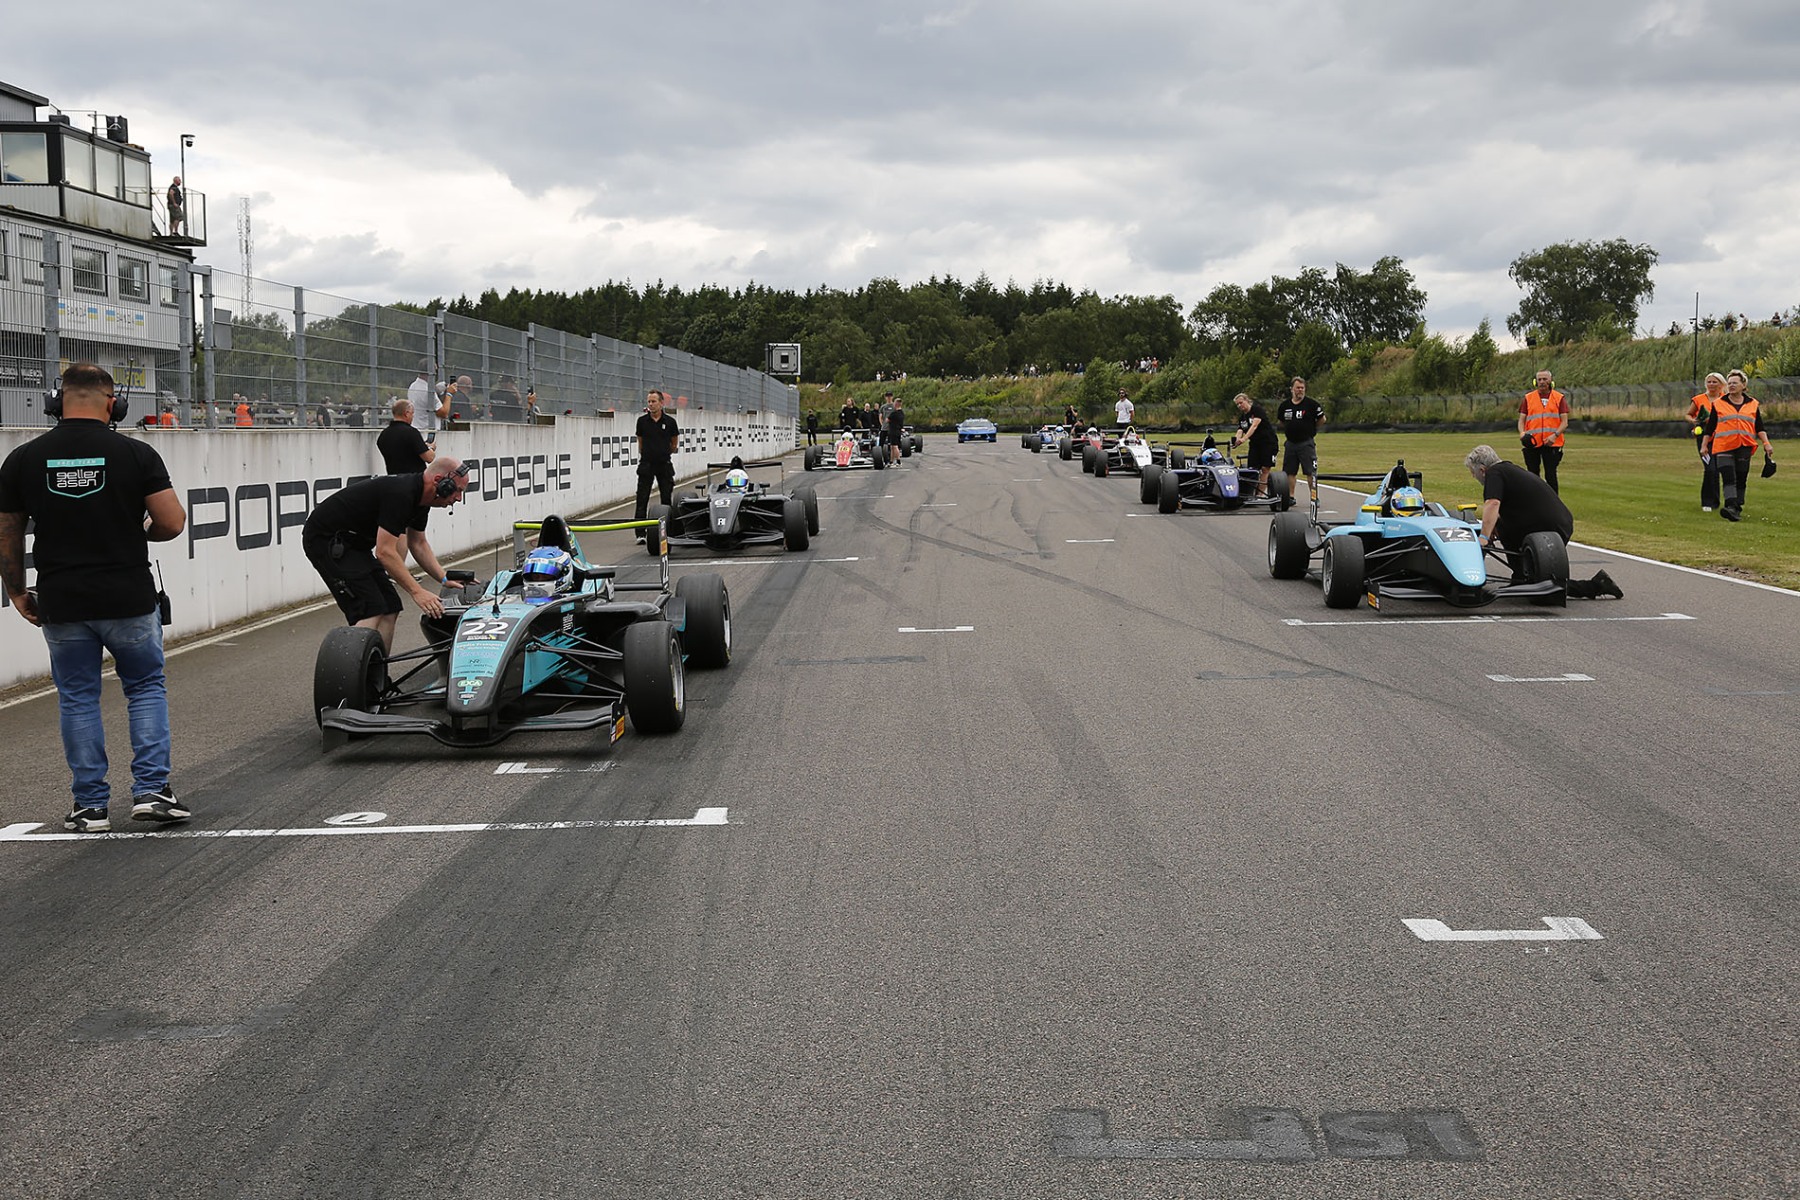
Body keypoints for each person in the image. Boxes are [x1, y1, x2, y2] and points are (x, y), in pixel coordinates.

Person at [0, 363, 190, 832]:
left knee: (78, 698)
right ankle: (152, 793)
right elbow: (171, 521)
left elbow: (7, 534)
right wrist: (141, 532)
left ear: (56, 402)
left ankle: (89, 806)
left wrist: (17, 591)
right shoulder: (136, 453)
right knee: (144, 688)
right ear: (113, 404)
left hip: (63, 600)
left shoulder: (23, 459)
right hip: (128, 597)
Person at [301, 458, 471, 653]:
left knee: (390, 606)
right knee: (370, 608)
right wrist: (417, 592)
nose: (459, 498)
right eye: (457, 490)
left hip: (355, 544)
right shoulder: (402, 494)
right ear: (440, 481)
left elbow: (418, 543)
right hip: (326, 540)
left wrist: (444, 578)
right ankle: (355, 670)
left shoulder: (422, 500)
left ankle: (378, 670)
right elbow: (384, 552)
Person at [1464, 444, 1621, 598]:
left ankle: (1595, 585)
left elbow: (1492, 503)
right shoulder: (1509, 470)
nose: (1473, 476)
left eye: (1473, 472)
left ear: (1482, 470)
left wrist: (1483, 537)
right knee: (1502, 527)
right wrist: (1492, 527)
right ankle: (1520, 577)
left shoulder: (1494, 473)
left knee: (1540, 583)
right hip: (1557, 521)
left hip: (1547, 526)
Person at [1701, 368, 1775, 521]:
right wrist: (1704, 445)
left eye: (1735, 383)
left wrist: (1766, 443)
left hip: (1744, 446)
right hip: (1724, 446)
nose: (1731, 385)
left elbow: (1759, 427)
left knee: (1741, 477)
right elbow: (1710, 427)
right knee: (1728, 477)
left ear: (1743, 385)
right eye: (1729, 383)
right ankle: (1730, 506)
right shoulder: (1718, 404)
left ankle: (1737, 506)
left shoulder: (1753, 404)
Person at [634, 389, 680, 541]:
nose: (651, 404)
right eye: (649, 401)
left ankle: (668, 531)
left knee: (666, 499)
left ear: (661, 403)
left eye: (653, 401)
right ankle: (641, 533)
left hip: (664, 464)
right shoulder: (642, 422)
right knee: (642, 499)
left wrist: (663, 453)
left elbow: (674, 444)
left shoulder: (670, 422)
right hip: (646, 464)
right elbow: (640, 442)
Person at [1518, 370, 1570, 492]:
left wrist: (1555, 435)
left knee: (1551, 475)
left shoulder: (1559, 398)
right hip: (1532, 442)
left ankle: (1553, 501)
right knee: (1532, 475)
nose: (1542, 382)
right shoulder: (1528, 398)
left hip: (1552, 443)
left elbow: (1564, 422)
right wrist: (1522, 434)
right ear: (1535, 382)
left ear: (1550, 381)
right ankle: (1534, 500)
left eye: (1545, 379)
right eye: (1539, 379)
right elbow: (1521, 420)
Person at [1277, 376, 1325, 504]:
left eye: (1302, 388)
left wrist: (1311, 429)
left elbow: (1322, 419)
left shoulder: (1312, 404)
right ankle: (1290, 497)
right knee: (1289, 472)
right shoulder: (1285, 405)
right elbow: (1281, 422)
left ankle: (1314, 497)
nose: (1300, 390)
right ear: (1292, 389)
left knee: (1310, 472)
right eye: (1298, 388)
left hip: (1306, 443)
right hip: (1291, 443)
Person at [1686, 372, 1726, 511]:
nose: (1711, 384)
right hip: (1704, 438)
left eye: (1715, 382)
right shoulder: (1699, 399)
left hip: (1721, 438)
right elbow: (1688, 414)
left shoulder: (1725, 399)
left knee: (1718, 470)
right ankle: (1707, 502)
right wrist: (1694, 421)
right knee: (1710, 469)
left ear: (1721, 384)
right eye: (1709, 382)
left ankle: (1716, 501)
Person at [1228, 393, 1279, 498]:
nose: (1239, 406)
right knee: (1252, 469)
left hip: (1268, 442)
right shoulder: (1242, 418)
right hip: (1255, 444)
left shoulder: (1257, 410)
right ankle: (1249, 493)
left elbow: (1254, 426)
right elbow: (1240, 430)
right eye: (1237, 404)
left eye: (1241, 403)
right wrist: (1236, 440)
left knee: (1265, 468)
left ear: (1247, 401)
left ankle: (1260, 494)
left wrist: (1244, 439)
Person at [377, 397, 435, 474]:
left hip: (393, 478)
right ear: (406, 413)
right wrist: (431, 448)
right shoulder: (411, 433)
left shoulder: (384, 435)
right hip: (413, 478)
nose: (413, 416)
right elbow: (429, 458)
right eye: (412, 413)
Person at [887, 393, 906, 465]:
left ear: (897, 404)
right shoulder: (902, 413)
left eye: (894, 403)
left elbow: (887, 420)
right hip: (898, 431)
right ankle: (891, 461)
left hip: (894, 431)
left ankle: (898, 461)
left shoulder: (894, 414)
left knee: (895, 446)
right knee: (892, 446)